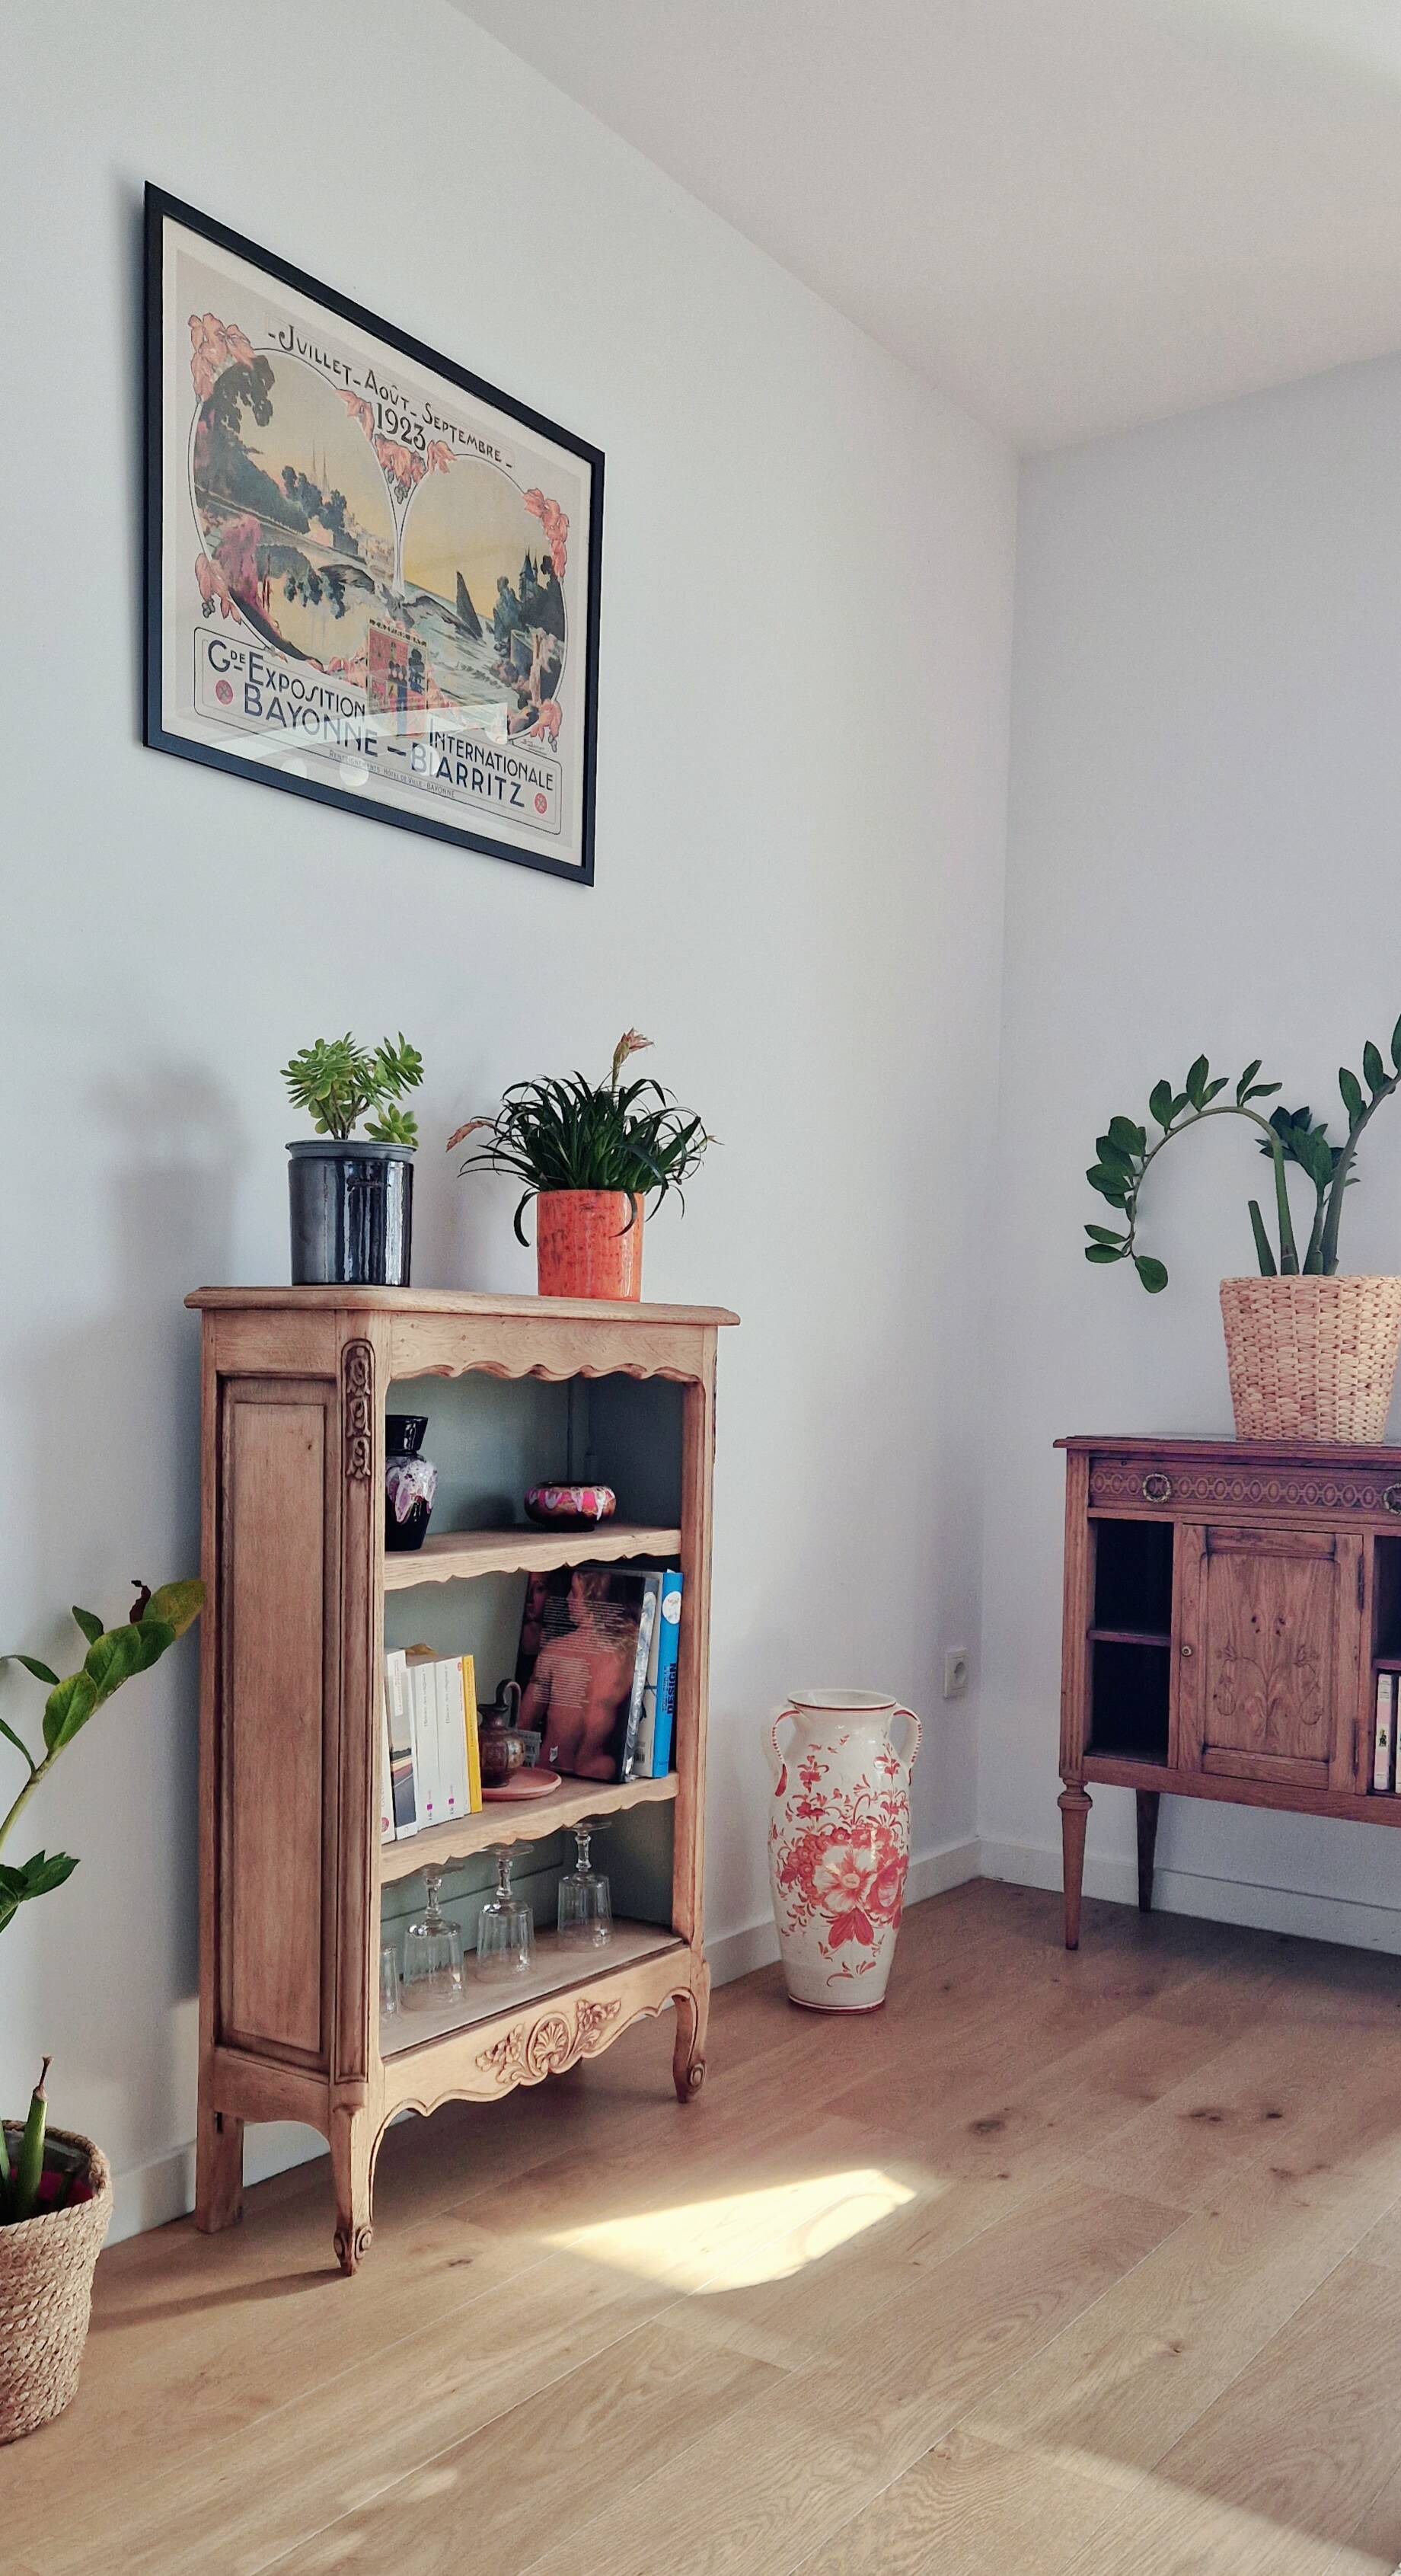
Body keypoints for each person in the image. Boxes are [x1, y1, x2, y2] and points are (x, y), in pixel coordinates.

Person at [519, 1572, 638, 1779]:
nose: (567, 1599)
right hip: (601, 1773)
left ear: (594, 1600)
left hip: (551, 1770)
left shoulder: (554, 1652)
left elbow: (523, 1724)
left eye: (574, 1594)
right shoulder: (630, 1653)